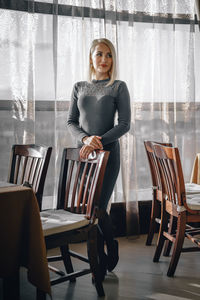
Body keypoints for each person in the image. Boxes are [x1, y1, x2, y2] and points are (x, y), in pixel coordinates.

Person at [67, 38, 131, 280]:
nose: (104, 60)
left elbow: (124, 125)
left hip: (107, 155)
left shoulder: (119, 87)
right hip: (83, 156)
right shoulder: (78, 86)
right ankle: (107, 247)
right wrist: (85, 140)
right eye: (99, 54)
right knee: (88, 208)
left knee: (98, 208)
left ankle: (101, 256)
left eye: (109, 55)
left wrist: (99, 141)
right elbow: (71, 122)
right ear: (91, 58)